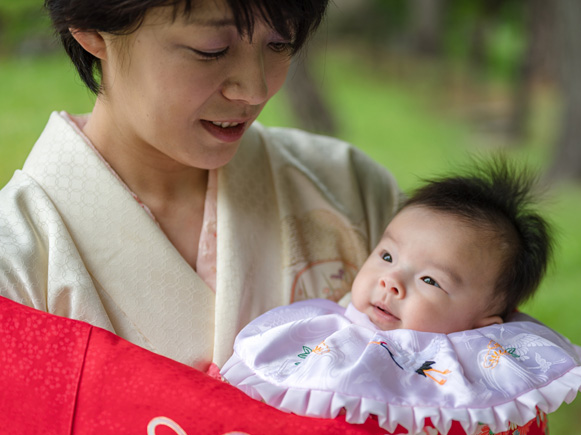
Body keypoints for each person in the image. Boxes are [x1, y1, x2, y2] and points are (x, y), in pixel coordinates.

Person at [0, 0, 401, 371]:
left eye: (280, 43)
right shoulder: (17, 262)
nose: (254, 89)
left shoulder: (352, 189)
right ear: (91, 26)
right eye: (211, 49)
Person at [221, 161, 581, 435]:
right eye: (387, 257)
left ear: (482, 328)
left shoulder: (470, 376)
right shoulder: (325, 334)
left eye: (429, 279)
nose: (391, 281)